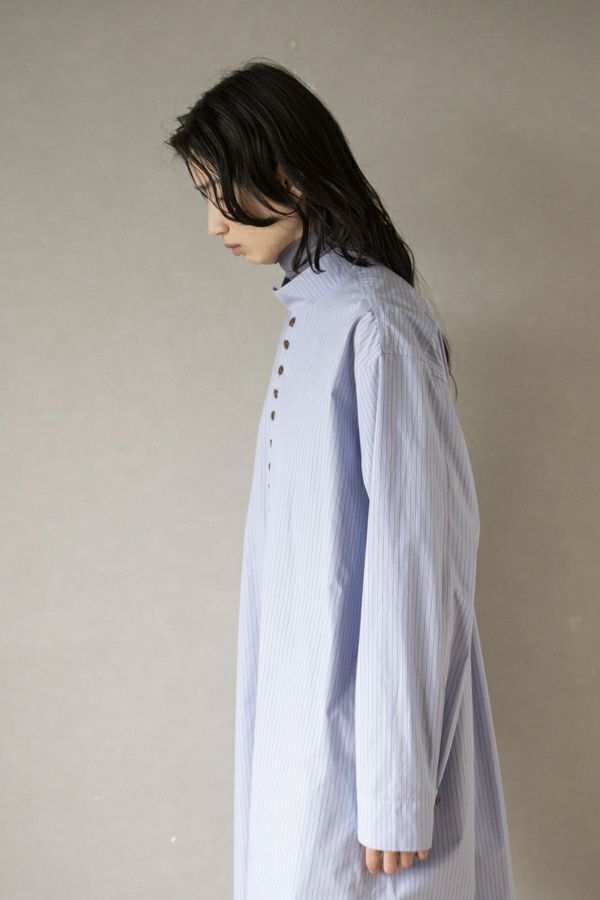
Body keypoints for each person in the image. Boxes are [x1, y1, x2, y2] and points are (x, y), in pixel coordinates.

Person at [166, 58, 517, 900]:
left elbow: (418, 560)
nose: (212, 225)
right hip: (309, 737)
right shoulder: (317, 314)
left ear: (287, 175)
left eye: (220, 194)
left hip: (366, 761)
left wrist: (396, 789)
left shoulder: (376, 322)